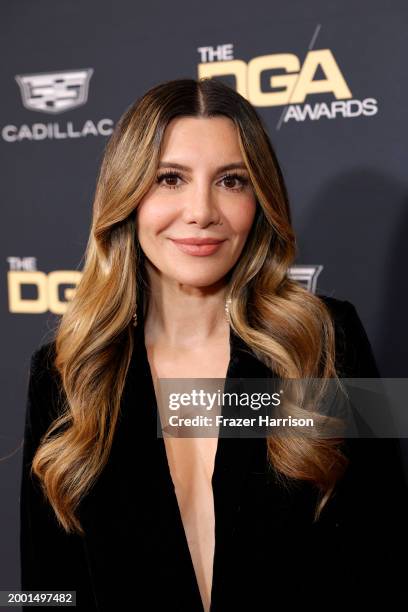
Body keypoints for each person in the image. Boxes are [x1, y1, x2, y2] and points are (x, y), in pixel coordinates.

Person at [20, 77, 408, 611]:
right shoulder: (70, 371)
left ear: (261, 199)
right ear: (126, 196)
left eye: (231, 180)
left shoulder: (324, 342)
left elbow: (385, 553)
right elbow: (47, 588)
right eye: (170, 179)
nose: (202, 210)